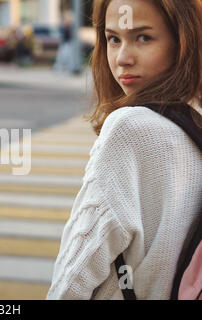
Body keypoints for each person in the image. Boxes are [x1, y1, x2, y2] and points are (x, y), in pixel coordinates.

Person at [47, 0, 201, 300]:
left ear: (183, 41)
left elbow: (74, 276)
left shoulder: (129, 128)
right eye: (113, 39)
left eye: (143, 37)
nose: (122, 58)